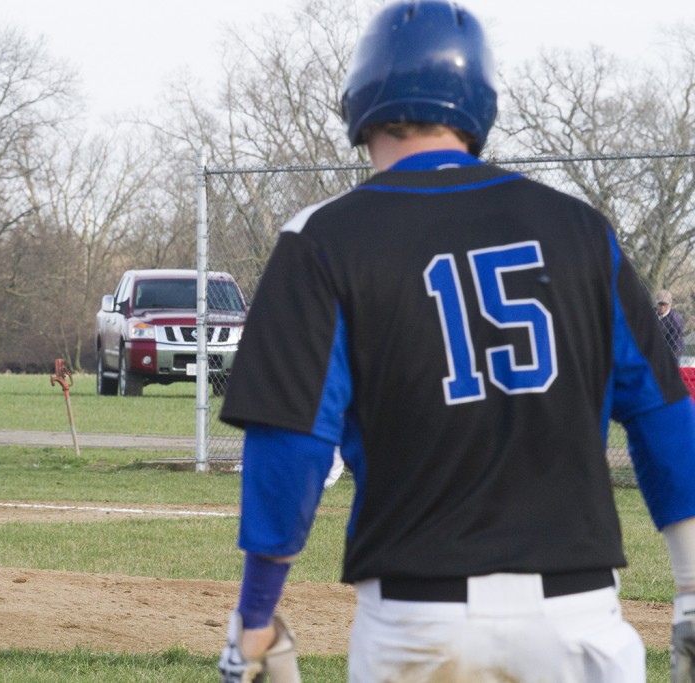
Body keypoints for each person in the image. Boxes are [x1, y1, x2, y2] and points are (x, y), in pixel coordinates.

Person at [215, 2, 695, 681]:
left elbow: (290, 445)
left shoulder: (322, 239)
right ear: (478, 106)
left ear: (362, 102)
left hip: (420, 623)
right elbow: (663, 410)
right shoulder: (581, 229)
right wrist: (692, 590)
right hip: (578, 620)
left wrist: (255, 619)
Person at [657, 289, 686, 362]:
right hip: (656, 352)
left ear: (670, 304)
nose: (662, 306)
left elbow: (675, 345)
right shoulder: (652, 314)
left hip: (671, 354)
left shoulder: (675, 320)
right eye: (660, 303)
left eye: (665, 304)